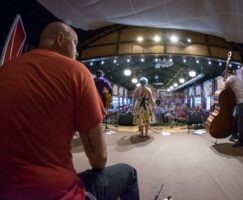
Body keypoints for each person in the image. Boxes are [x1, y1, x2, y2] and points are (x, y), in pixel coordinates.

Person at [0, 22, 139, 200]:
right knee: (129, 172)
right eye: (75, 44)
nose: (77, 53)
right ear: (60, 39)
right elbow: (99, 159)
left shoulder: (6, 69)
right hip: (56, 194)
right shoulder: (77, 71)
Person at [222, 69, 243, 147]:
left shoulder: (232, 77)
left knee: (240, 123)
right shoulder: (234, 78)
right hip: (241, 103)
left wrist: (223, 81)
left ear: (227, 74)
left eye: (225, 76)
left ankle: (240, 141)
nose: (225, 78)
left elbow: (225, 86)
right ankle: (234, 136)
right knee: (235, 120)